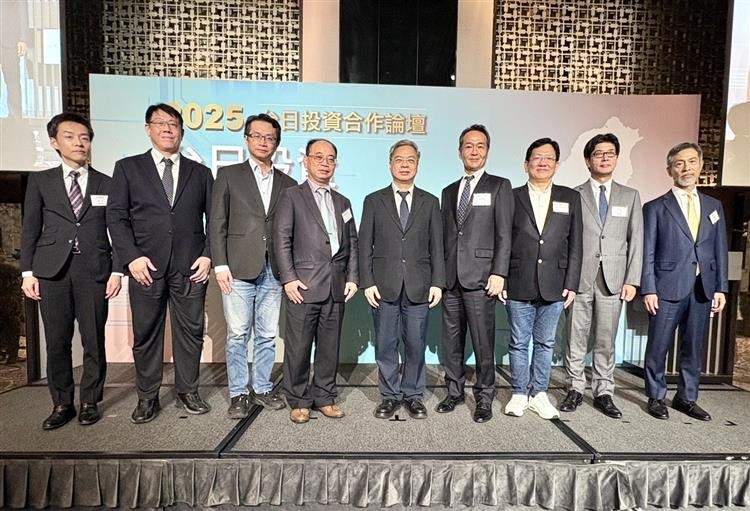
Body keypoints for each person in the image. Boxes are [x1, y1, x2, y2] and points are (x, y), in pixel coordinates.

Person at [107, 103, 213, 424]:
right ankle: (147, 397)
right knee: (147, 334)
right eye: (160, 123)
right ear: (148, 129)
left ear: (182, 131)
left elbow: (215, 219)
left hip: (191, 266)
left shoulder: (200, 172)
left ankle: (188, 392)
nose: (168, 129)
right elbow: (116, 216)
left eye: (174, 124)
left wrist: (208, 255)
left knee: (191, 333)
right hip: (145, 267)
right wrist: (131, 257)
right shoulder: (128, 168)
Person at [20, 112, 121, 429]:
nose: (79, 143)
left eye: (84, 138)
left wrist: (117, 271)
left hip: (94, 270)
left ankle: (90, 401)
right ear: (54, 142)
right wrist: (27, 272)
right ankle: (62, 403)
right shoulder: (41, 181)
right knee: (57, 341)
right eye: (70, 137)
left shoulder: (107, 182)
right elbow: (30, 228)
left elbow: (118, 230)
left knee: (94, 340)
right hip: (52, 271)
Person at [209, 113, 296, 418]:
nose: (263, 142)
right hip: (237, 267)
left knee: (267, 334)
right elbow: (216, 222)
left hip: (274, 270)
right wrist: (220, 264)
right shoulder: (229, 175)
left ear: (277, 143)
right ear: (246, 139)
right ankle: (238, 393)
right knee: (237, 333)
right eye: (257, 136)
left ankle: (261, 387)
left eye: (269, 137)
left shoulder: (288, 183)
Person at [273, 138, 358, 424]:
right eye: (318, 157)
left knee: (329, 347)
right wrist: (288, 279)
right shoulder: (291, 196)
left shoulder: (343, 202)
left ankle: (324, 396)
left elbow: (352, 243)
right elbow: (281, 239)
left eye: (330, 158)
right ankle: (298, 399)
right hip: (303, 286)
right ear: (306, 161)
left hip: (336, 286)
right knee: (298, 347)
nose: (325, 163)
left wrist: (352, 277)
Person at [641, 142, 728, 421]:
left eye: (691, 162)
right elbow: (647, 251)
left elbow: (720, 248)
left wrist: (721, 287)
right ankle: (656, 396)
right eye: (679, 163)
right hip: (666, 286)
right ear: (670, 170)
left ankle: (687, 397)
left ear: (701, 165)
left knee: (694, 346)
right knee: (658, 345)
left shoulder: (714, 206)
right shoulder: (655, 207)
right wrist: (648, 288)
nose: (686, 168)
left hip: (703, 287)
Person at [359, 139, 445, 420]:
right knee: (385, 344)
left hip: (420, 285)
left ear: (417, 165)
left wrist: (438, 282)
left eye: (410, 160)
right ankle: (389, 395)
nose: (405, 165)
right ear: (390, 164)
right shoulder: (374, 200)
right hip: (383, 286)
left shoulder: (430, 202)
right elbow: (364, 244)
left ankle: (413, 395)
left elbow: (437, 246)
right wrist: (367, 282)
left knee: (415, 344)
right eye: (399, 159)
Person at [561, 133, 643, 419]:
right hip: (580, 278)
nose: (605, 158)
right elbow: (567, 240)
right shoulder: (574, 194)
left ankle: (604, 391)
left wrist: (632, 279)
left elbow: (636, 240)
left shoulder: (630, 196)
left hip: (614, 279)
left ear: (617, 158)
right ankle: (574, 387)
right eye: (598, 153)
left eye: (610, 153)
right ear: (588, 160)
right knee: (575, 336)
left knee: (606, 339)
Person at [504, 137, 582, 420]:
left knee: (546, 343)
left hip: (555, 283)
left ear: (557, 165)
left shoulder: (570, 197)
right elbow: (502, 239)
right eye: (537, 157)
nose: (543, 162)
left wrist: (571, 282)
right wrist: (501, 277)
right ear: (526, 164)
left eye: (549, 158)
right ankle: (518, 393)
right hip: (518, 280)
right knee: (518, 342)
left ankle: (539, 393)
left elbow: (576, 244)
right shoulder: (511, 196)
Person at [439, 124, 513, 423]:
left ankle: (484, 396)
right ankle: (454, 391)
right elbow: (447, 236)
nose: (474, 151)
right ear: (460, 152)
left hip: (483, 278)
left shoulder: (499, 186)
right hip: (451, 279)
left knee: (483, 342)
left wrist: (499, 272)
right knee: (451, 341)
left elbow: (505, 234)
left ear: (487, 151)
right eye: (468, 146)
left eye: (480, 146)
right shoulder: (448, 191)